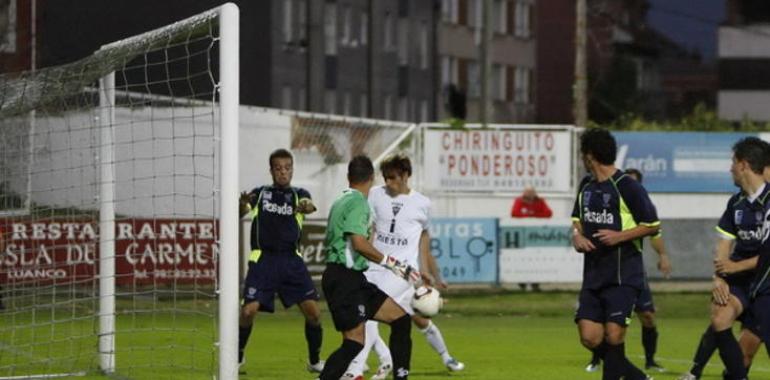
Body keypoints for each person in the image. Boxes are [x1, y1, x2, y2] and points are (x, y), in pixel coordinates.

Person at [341, 154, 465, 380]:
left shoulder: (422, 204)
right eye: (386, 178)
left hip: (402, 272)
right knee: (412, 319)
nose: (388, 183)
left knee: (367, 314)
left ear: (406, 175)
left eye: (393, 178)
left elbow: (424, 239)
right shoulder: (376, 195)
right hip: (374, 267)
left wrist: (428, 271)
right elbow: (368, 225)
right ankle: (388, 361)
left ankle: (356, 370)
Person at [318, 155, 425, 380]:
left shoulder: (341, 200)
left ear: (349, 177)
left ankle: (401, 376)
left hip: (352, 279)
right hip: (345, 278)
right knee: (354, 342)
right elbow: (359, 243)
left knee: (401, 320)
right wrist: (393, 263)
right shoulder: (358, 203)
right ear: (372, 177)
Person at [678, 137, 769, 380]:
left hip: (765, 282)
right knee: (719, 317)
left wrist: (734, 266)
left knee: (744, 355)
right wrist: (719, 277)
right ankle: (704, 373)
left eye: (733, 162)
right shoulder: (735, 202)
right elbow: (723, 244)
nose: (730, 168)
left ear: (743, 165)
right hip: (739, 280)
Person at [571, 128, 658, 380]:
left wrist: (619, 236)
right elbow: (576, 218)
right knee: (589, 337)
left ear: (590, 156)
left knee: (614, 336)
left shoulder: (627, 186)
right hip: (593, 275)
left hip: (623, 275)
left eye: (583, 155)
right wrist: (577, 235)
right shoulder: (586, 185)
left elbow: (653, 224)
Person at [237, 148, 324, 374]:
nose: (283, 173)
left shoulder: (299, 194)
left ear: (292, 170)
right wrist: (241, 204)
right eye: (278, 168)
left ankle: (314, 361)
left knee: (314, 314)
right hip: (263, 260)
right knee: (248, 312)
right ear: (272, 171)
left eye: (287, 168)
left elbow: (309, 205)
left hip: (290, 262)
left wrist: (305, 207)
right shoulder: (260, 194)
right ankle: (237, 358)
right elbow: (241, 211)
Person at [584, 168, 672, 373]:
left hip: (632, 272)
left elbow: (654, 232)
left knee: (648, 316)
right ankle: (599, 358)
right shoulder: (605, 200)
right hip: (607, 271)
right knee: (603, 325)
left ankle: (650, 361)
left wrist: (663, 256)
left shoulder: (641, 206)